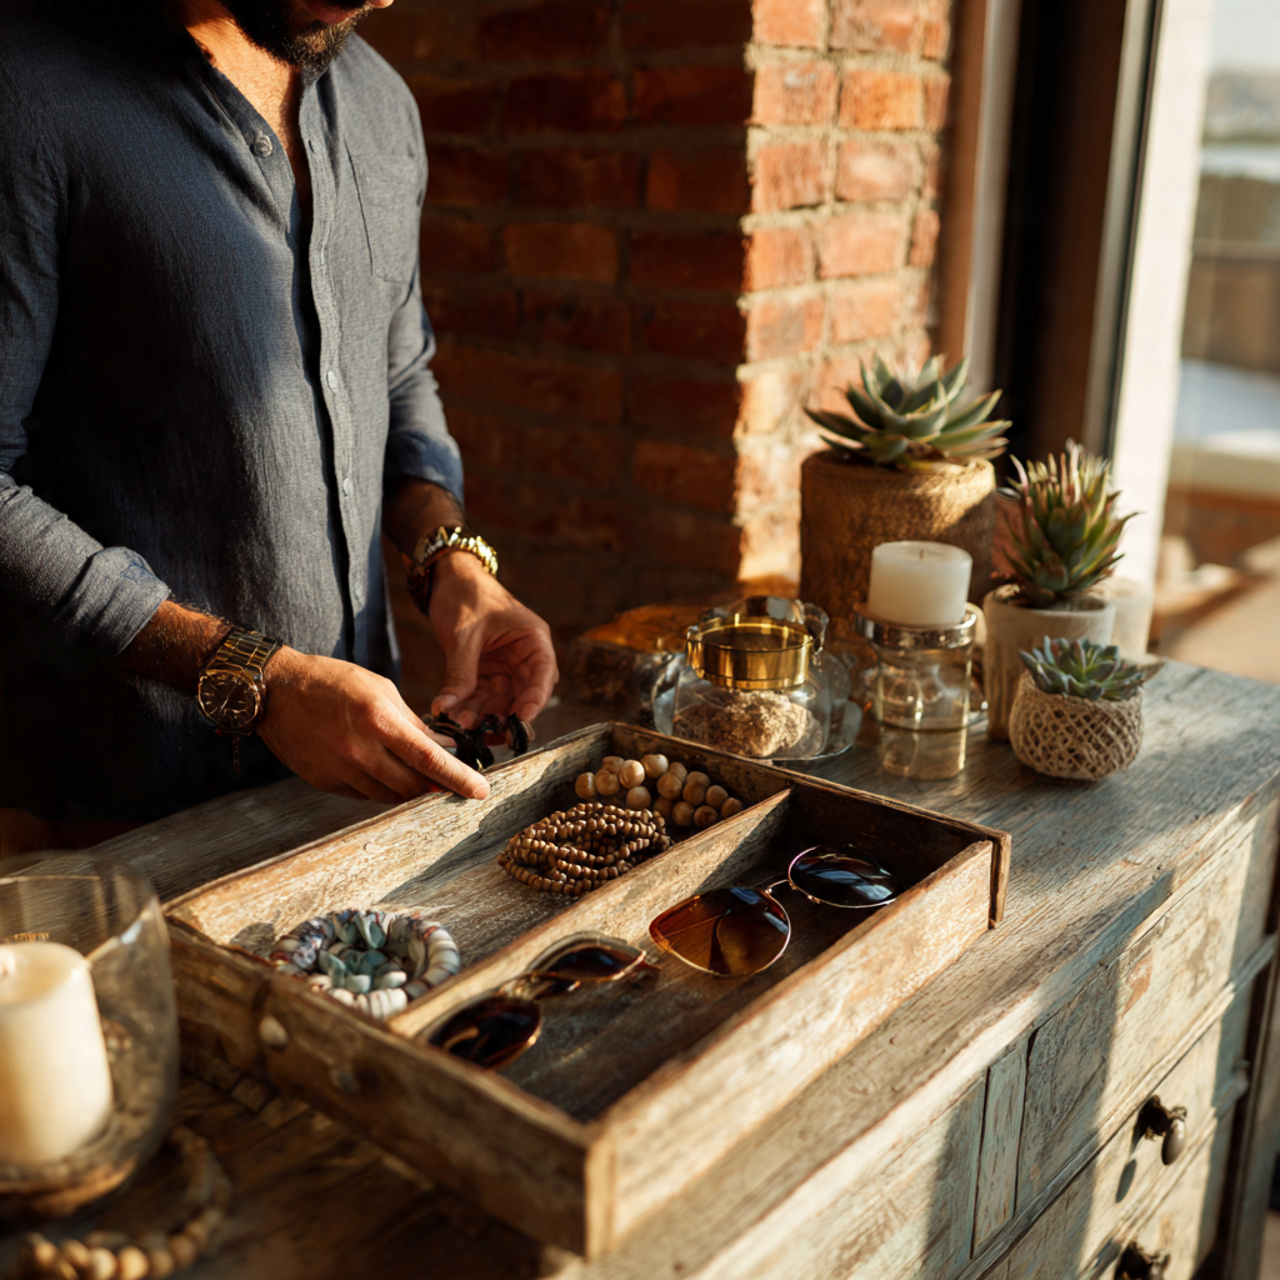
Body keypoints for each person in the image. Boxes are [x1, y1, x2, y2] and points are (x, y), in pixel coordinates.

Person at [0, 0, 558, 853]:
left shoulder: (382, 106)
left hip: (355, 798)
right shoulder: (26, 90)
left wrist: (454, 565)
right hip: (103, 826)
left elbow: (397, 378)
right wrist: (254, 679)